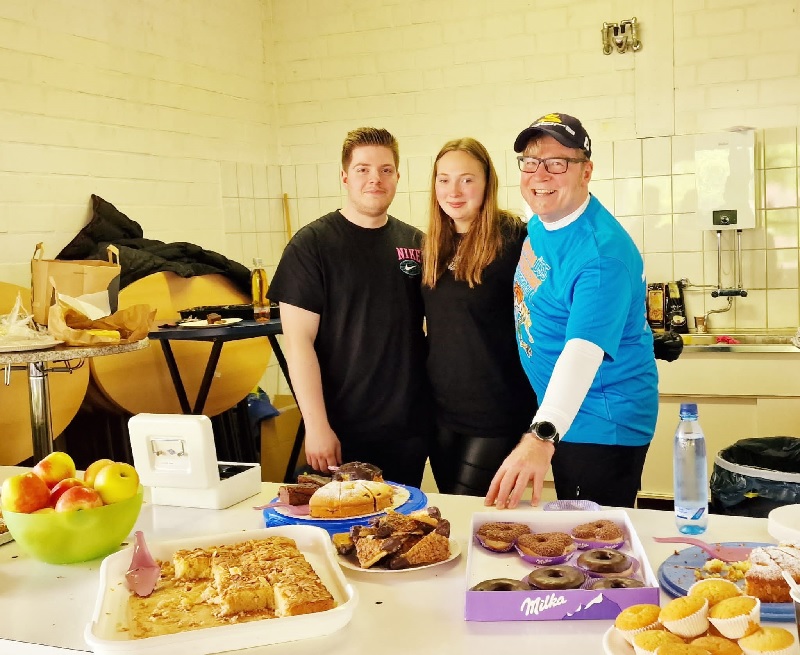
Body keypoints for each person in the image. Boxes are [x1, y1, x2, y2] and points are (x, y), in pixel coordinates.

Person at [485, 113, 658, 509]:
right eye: (531, 161)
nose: (540, 174)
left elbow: (582, 353)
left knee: (593, 546)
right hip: (568, 414)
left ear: (586, 171)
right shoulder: (546, 220)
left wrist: (541, 434)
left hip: (599, 423)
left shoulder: (600, 255)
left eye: (557, 163)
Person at [267, 127, 433, 487]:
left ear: (398, 177)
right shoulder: (312, 245)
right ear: (345, 176)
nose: (375, 179)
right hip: (343, 429)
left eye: (385, 170)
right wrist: (316, 426)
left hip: (408, 427)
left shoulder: (416, 243)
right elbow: (298, 344)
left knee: (401, 530)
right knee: (345, 534)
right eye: (363, 169)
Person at [421, 137, 538, 496]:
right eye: (444, 179)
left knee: (474, 509)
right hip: (441, 411)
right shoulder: (431, 244)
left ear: (488, 182)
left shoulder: (514, 237)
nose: (454, 190)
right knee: (455, 514)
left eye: (467, 179)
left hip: (497, 411)